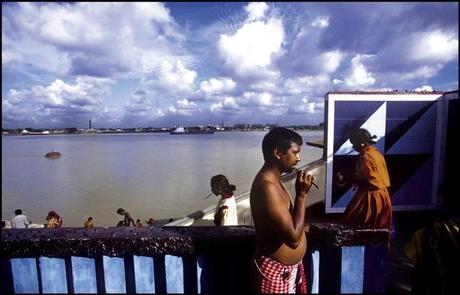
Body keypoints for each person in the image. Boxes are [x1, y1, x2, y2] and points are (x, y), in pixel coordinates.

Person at [250, 127, 313, 293]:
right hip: (276, 274)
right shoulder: (267, 187)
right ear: (278, 153)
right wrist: (301, 195)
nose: (298, 159)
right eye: (295, 153)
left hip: (287, 273)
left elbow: (286, 223)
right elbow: (292, 238)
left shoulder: (276, 181)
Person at [341, 128, 392, 236]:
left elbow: (372, 182)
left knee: (357, 226)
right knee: (379, 229)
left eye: (354, 143)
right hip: (383, 195)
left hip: (372, 197)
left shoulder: (365, 156)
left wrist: (348, 179)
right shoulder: (376, 153)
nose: (353, 147)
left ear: (361, 143)